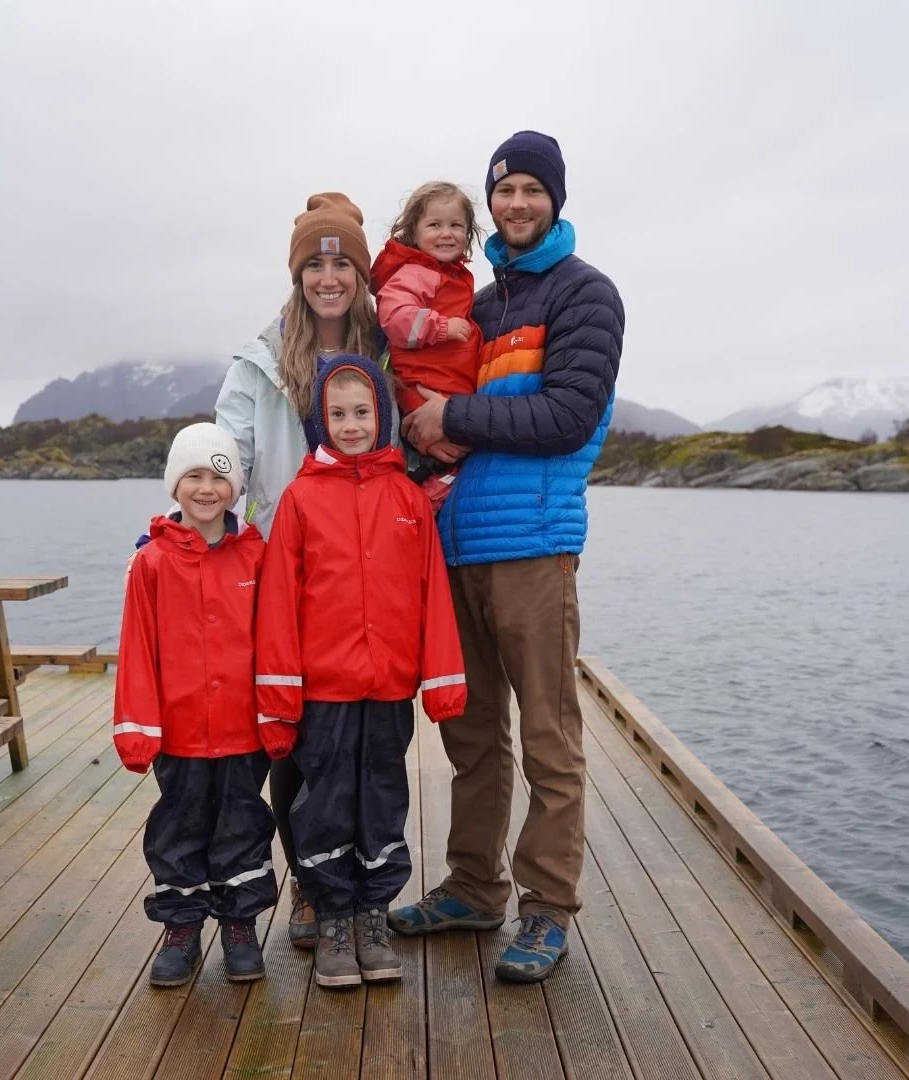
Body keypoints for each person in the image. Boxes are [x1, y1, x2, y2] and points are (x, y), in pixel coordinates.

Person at [390, 131, 625, 984]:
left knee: (550, 739)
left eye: (532, 189)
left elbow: (566, 417)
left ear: (554, 199)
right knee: (473, 735)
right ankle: (473, 887)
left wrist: (451, 418)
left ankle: (547, 908)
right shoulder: (481, 306)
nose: (517, 203)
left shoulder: (585, 294)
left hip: (534, 546)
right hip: (457, 548)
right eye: (505, 190)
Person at [253, 354, 466, 988]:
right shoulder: (300, 499)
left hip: (389, 688)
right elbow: (278, 606)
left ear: (382, 416)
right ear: (321, 419)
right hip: (324, 691)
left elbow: (433, 595)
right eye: (338, 414)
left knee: (382, 797)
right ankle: (333, 919)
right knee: (325, 803)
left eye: (362, 412)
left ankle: (373, 913)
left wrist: (443, 678)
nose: (351, 425)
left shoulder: (408, 498)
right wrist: (278, 698)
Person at [212, 192, 380, 951]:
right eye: (314, 264)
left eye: (341, 263)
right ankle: (310, 886)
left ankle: (362, 882)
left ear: (360, 274)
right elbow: (230, 453)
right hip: (285, 564)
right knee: (295, 731)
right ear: (297, 274)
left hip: (364, 570)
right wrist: (196, 526)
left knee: (364, 740)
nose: (328, 277)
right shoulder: (260, 360)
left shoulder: (386, 348)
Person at [113, 423, 276, 987]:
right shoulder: (151, 562)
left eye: (220, 478)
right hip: (179, 732)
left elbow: (274, 640)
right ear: (174, 484)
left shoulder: (255, 556)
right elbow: (137, 649)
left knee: (241, 825)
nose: (207, 489)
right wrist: (136, 725)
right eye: (195, 476)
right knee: (179, 828)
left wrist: (277, 712)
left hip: (243, 730)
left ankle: (239, 926)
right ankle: (181, 929)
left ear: (236, 489)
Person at [369, 181, 484, 507]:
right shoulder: (418, 271)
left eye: (456, 225)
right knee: (439, 472)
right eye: (434, 225)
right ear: (414, 231)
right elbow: (394, 317)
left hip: (447, 392)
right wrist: (441, 326)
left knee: (451, 466)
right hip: (428, 387)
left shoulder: (449, 275)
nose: (446, 233)